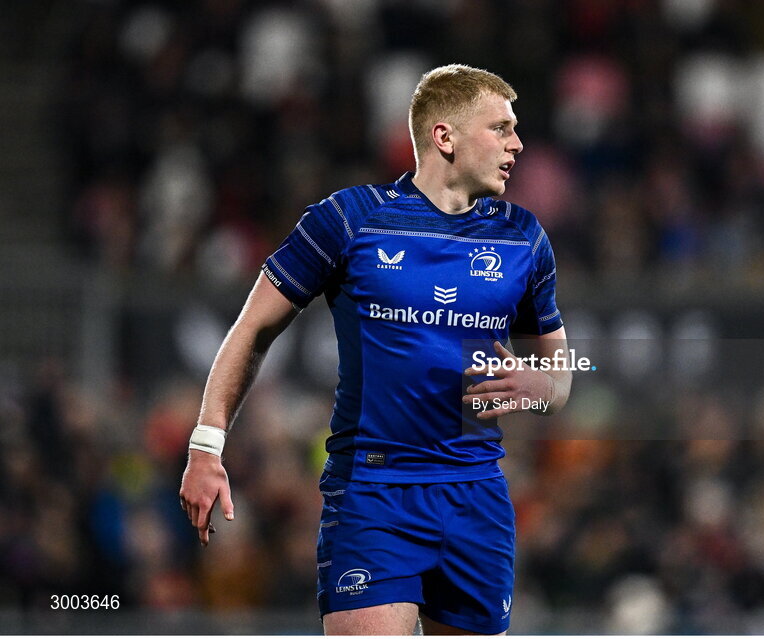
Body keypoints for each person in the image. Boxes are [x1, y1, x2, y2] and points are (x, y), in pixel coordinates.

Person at [179, 64, 571, 635]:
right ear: (445, 138)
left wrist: (544, 387)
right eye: (501, 128)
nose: (517, 144)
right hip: (373, 494)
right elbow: (252, 331)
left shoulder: (524, 237)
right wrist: (206, 444)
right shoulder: (348, 220)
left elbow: (560, 375)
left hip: (477, 495)